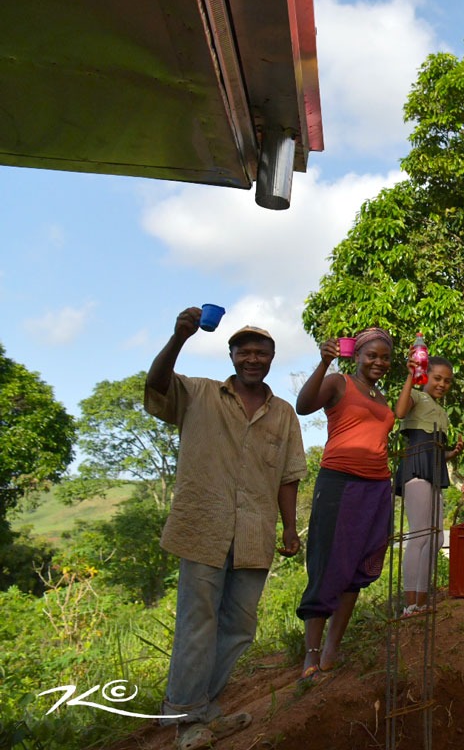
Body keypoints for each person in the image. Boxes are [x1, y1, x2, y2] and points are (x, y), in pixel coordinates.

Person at [145, 311, 306, 750]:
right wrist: (179, 335)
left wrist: (291, 530)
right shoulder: (197, 393)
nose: (253, 358)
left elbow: (289, 477)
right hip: (203, 526)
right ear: (232, 355)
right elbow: (157, 387)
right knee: (198, 622)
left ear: (272, 358)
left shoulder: (284, 415)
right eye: (245, 351)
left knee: (239, 627)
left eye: (262, 352)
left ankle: (204, 707)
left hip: (255, 532)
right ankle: (187, 717)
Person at [293, 328, 396, 683]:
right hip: (341, 483)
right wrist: (323, 362)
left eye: (385, 357)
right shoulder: (339, 382)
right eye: (372, 355)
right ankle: (311, 653)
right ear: (357, 355)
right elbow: (303, 406)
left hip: (378, 487)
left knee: (358, 566)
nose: (379, 362)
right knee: (328, 562)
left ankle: (334, 647)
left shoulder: (381, 397)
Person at [395, 350, 464, 614]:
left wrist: (452, 453)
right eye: (437, 378)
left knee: (434, 537)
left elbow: (435, 451)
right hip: (415, 468)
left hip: (433, 470)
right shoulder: (415, 395)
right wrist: (410, 378)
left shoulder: (441, 411)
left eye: (447, 381)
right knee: (420, 535)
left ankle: (420, 599)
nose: (442, 384)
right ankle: (411, 603)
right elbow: (400, 412)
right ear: (426, 376)